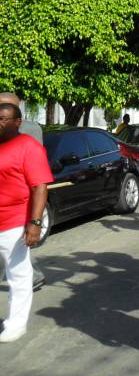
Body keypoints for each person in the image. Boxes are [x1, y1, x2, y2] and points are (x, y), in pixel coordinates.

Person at [0, 102, 52, 343]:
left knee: (18, 274)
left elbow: (40, 186)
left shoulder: (28, 147)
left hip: (14, 222)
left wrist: (35, 223)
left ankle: (16, 323)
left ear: (17, 122)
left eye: (3, 119)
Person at [0, 93, 46, 291]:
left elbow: (34, 168)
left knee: (16, 247)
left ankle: (32, 277)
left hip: (22, 197)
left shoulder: (29, 130)